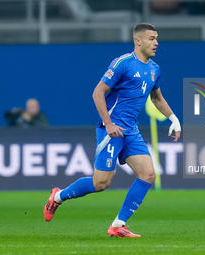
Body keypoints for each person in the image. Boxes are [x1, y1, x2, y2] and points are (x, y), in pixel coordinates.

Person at [43, 23, 181, 238]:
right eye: (152, 38)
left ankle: (118, 225)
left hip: (131, 131)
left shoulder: (154, 69)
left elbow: (156, 98)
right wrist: (108, 123)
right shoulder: (122, 64)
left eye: (157, 38)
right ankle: (58, 196)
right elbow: (97, 92)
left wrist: (173, 119)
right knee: (101, 183)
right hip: (112, 131)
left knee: (148, 174)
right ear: (138, 40)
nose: (156, 42)